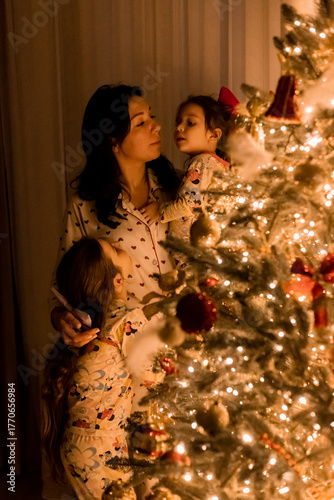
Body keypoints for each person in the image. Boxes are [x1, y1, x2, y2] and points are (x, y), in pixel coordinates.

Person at [50, 85, 179, 348]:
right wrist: (62, 319)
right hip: (131, 352)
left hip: (191, 339)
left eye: (151, 116)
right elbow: (62, 288)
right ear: (112, 140)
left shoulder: (178, 188)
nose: (156, 126)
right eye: (141, 122)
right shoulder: (84, 206)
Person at [42, 237, 164, 500]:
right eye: (117, 250)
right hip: (100, 450)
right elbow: (153, 374)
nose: (122, 245)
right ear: (118, 281)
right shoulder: (128, 317)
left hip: (89, 446)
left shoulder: (93, 319)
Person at [140, 95, 230, 240]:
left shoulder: (201, 163)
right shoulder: (217, 166)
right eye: (178, 122)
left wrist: (159, 211)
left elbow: (189, 203)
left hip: (193, 250)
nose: (179, 127)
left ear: (214, 134)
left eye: (190, 123)